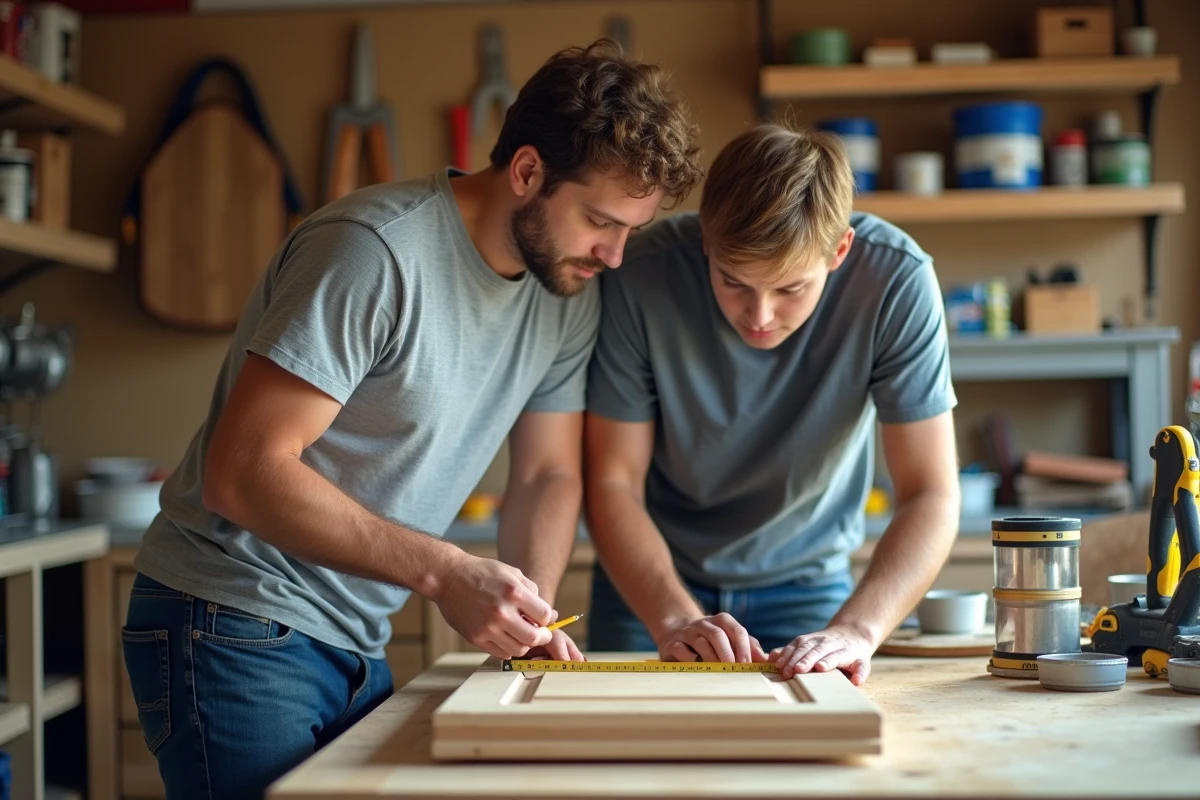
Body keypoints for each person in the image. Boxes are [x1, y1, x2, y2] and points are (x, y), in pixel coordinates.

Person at [121, 39, 703, 800]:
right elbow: (243, 471)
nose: (616, 254)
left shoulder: (565, 295)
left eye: (631, 229)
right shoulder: (374, 251)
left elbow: (546, 472)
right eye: (600, 220)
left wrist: (529, 620)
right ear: (527, 172)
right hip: (233, 620)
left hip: (354, 635)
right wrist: (447, 571)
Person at [584, 123, 960, 686]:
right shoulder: (638, 278)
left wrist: (858, 630)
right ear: (707, 240)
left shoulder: (897, 282)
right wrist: (675, 619)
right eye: (734, 282)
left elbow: (930, 490)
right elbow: (612, 481)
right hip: (653, 587)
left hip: (808, 586)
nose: (759, 316)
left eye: (789, 289)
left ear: (839, 251)